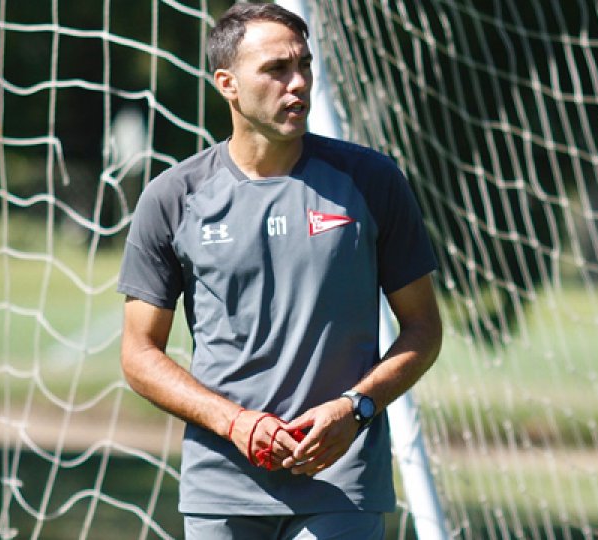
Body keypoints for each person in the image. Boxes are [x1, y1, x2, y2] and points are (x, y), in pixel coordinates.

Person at [117, 3, 442, 538]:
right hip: (221, 485)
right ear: (228, 84)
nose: (298, 84)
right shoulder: (173, 197)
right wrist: (235, 423)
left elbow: (423, 327)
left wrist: (355, 408)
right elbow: (138, 353)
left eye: (304, 66)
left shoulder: (372, 180)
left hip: (343, 482)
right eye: (276, 69)